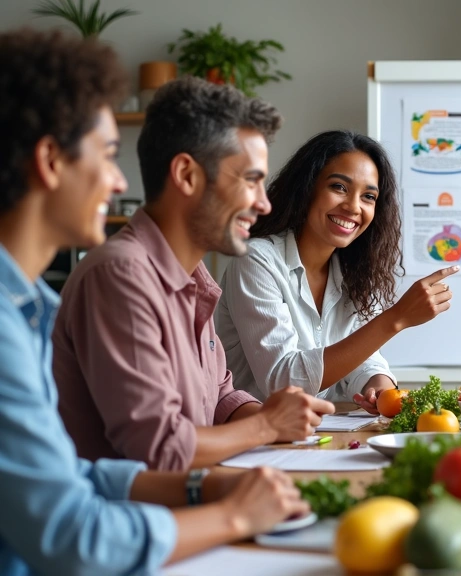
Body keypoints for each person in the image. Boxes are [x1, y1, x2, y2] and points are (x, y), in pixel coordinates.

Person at [0, 29, 309, 575]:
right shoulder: (109, 277)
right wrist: (235, 510)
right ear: (50, 161)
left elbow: (76, 475)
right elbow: (74, 532)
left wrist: (205, 485)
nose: (119, 179)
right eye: (107, 155)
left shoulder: (31, 307)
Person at [52, 74, 334, 471]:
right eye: (250, 180)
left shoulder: (192, 275)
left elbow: (219, 398)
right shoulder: (120, 275)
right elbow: (160, 449)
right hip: (138, 509)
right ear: (186, 175)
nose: (263, 204)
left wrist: (277, 417)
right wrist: (267, 425)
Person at [216, 130, 457, 412]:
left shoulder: (357, 274)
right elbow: (283, 380)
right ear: (307, 188)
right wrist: (397, 318)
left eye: (368, 196)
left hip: (321, 432)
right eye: (339, 187)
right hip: (253, 434)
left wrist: (378, 388)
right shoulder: (256, 260)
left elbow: (364, 359)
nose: (353, 206)